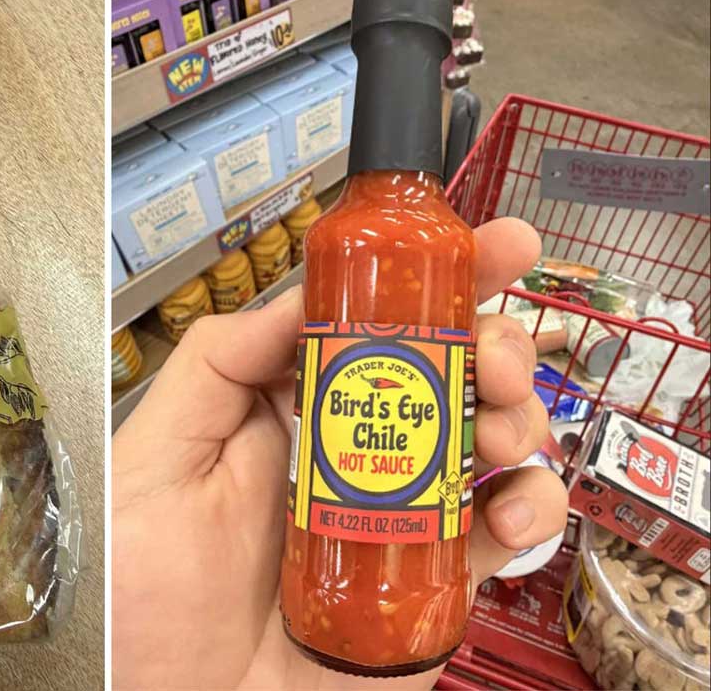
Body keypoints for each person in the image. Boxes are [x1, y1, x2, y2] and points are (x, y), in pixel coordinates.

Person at [112, 217, 569, 690]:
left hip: (332, 624)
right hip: (254, 612)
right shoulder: (344, 238)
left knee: (495, 409)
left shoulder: (416, 239)